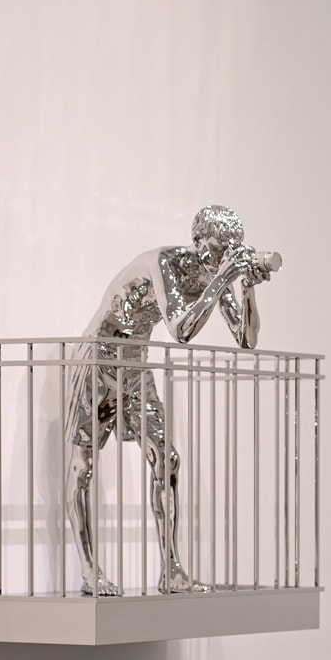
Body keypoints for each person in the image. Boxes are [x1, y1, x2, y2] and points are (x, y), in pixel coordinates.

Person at [70, 205, 281, 596]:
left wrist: (247, 285)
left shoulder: (211, 272)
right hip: (100, 357)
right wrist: (223, 279)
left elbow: (247, 339)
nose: (225, 258)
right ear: (198, 241)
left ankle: (171, 571)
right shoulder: (164, 262)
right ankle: (88, 570)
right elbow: (181, 330)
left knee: (167, 459)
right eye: (219, 249)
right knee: (83, 465)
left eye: (232, 250)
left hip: (135, 362)